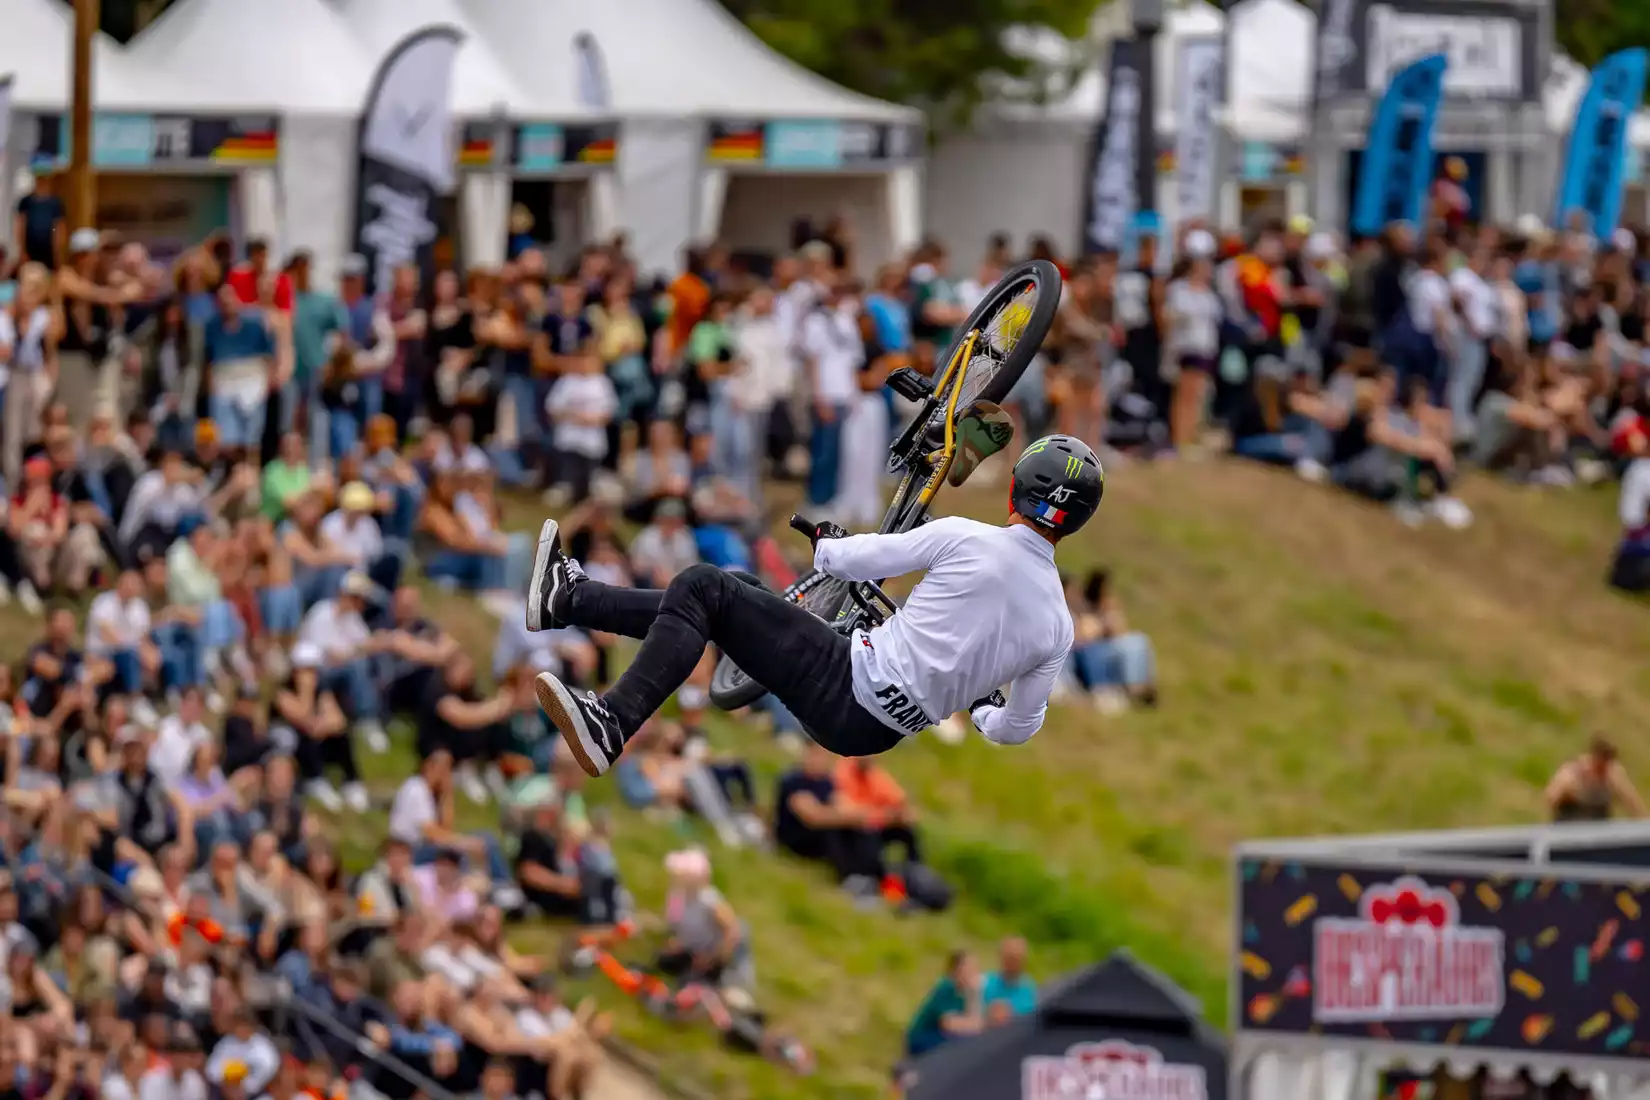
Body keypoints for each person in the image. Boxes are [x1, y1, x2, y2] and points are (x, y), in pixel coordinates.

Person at [526, 435, 1103, 777]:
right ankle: (568, 598)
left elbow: (853, 561)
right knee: (739, 595)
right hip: (871, 731)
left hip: (850, 680)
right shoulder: (1057, 626)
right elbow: (1017, 729)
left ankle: (612, 722)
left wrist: (827, 541)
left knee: (704, 586)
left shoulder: (967, 537)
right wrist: (980, 711)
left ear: (1016, 488)